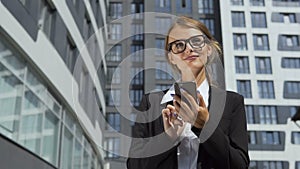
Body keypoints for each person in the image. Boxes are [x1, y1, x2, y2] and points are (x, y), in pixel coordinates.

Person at [127, 16, 250, 169]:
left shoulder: (232, 103)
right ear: (171, 57)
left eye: (197, 41)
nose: (189, 49)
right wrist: (167, 138)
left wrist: (204, 127)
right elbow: (134, 165)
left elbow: (240, 165)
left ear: (209, 49)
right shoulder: (151, 102)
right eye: (179, 45)